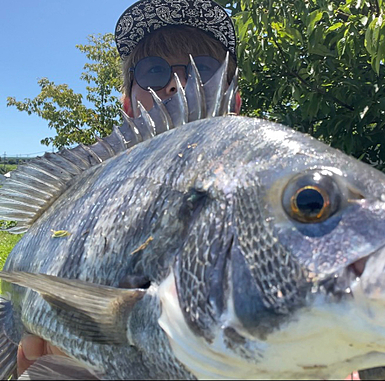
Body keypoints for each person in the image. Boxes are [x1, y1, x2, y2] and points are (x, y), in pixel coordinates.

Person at [17, 0, 239, 375]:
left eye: (204, 70)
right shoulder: (92, 185)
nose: (177, 83)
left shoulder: (271, 184)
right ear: (127, 105)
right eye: (154, 70)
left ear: (234, 100)